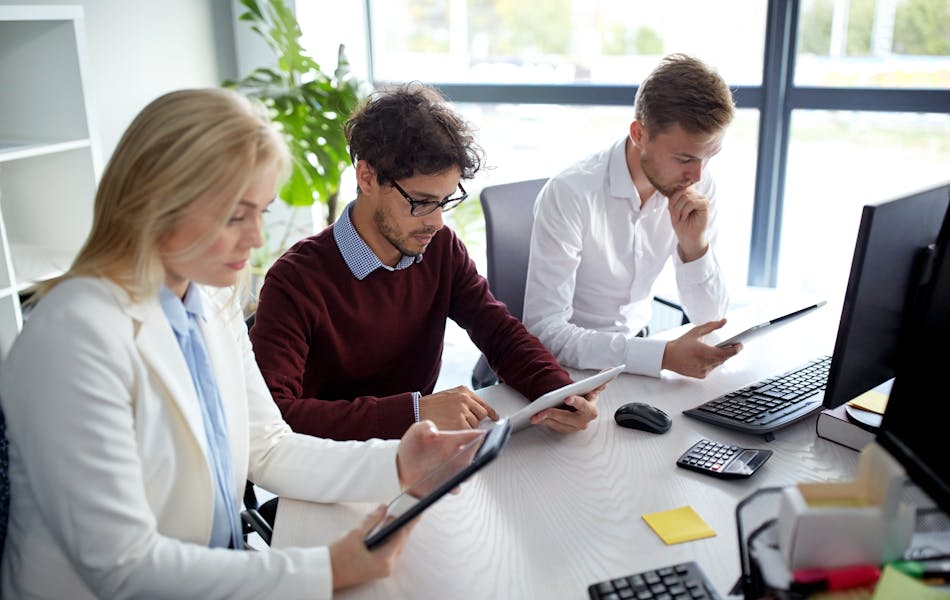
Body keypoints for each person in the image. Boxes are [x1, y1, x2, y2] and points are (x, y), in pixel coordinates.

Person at [0, 87, 485, 599]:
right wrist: (328, 569)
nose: (257, 238)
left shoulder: (209, 300)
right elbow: (123, 569)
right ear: (157, 203)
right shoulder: (72, 339)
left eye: (262, 211)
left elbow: (270, 448)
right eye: (236, 215)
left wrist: (399, 464)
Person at [249, 82, 602, 442]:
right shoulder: (295, 281)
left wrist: (559, 391)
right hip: (333, 465)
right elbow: (275, 414)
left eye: (445, 201)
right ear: (367, 178)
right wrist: (413, 412)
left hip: (419, 451)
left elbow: (499, 332)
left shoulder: (439, 248)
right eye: (420, 202)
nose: (436, 222)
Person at [522, 53, 742, 380]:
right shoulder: (571, 193)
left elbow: (710, 320)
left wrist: (694, 247)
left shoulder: (698, 184)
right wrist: (659, 356)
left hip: (642, 357)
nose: (697, 174)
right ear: (639, 134)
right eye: (685, 158)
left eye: (710, 156)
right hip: (571, 369)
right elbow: (545, 332)